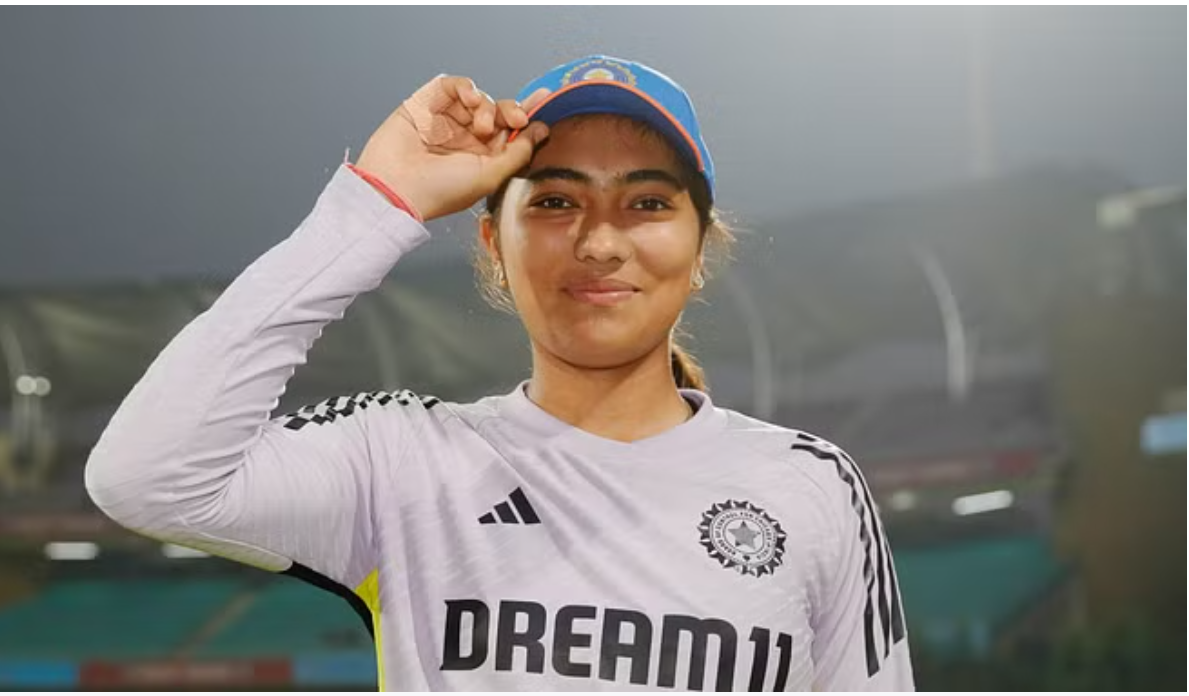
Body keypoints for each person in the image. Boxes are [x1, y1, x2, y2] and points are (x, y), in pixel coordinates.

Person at [85, 55, 914, 691]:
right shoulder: (403, 458)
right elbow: (148, 478)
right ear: (492, 246)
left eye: (647, 203)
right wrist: (376, 205)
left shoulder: (810, 483)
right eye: (553, 202)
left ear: (701, 248)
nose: (599, 242)